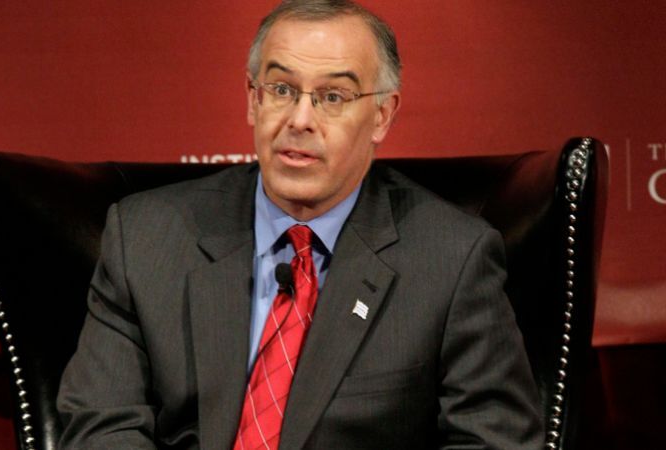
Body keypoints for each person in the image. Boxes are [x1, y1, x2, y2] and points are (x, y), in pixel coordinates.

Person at [57, 1, 544, 448]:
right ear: (253, 100)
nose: (300, 119)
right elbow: (102, 427)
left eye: (333, 96)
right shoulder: (145, 239)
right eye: (282, 89)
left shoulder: (451, 260)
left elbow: (492, 440)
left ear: (381, 115)